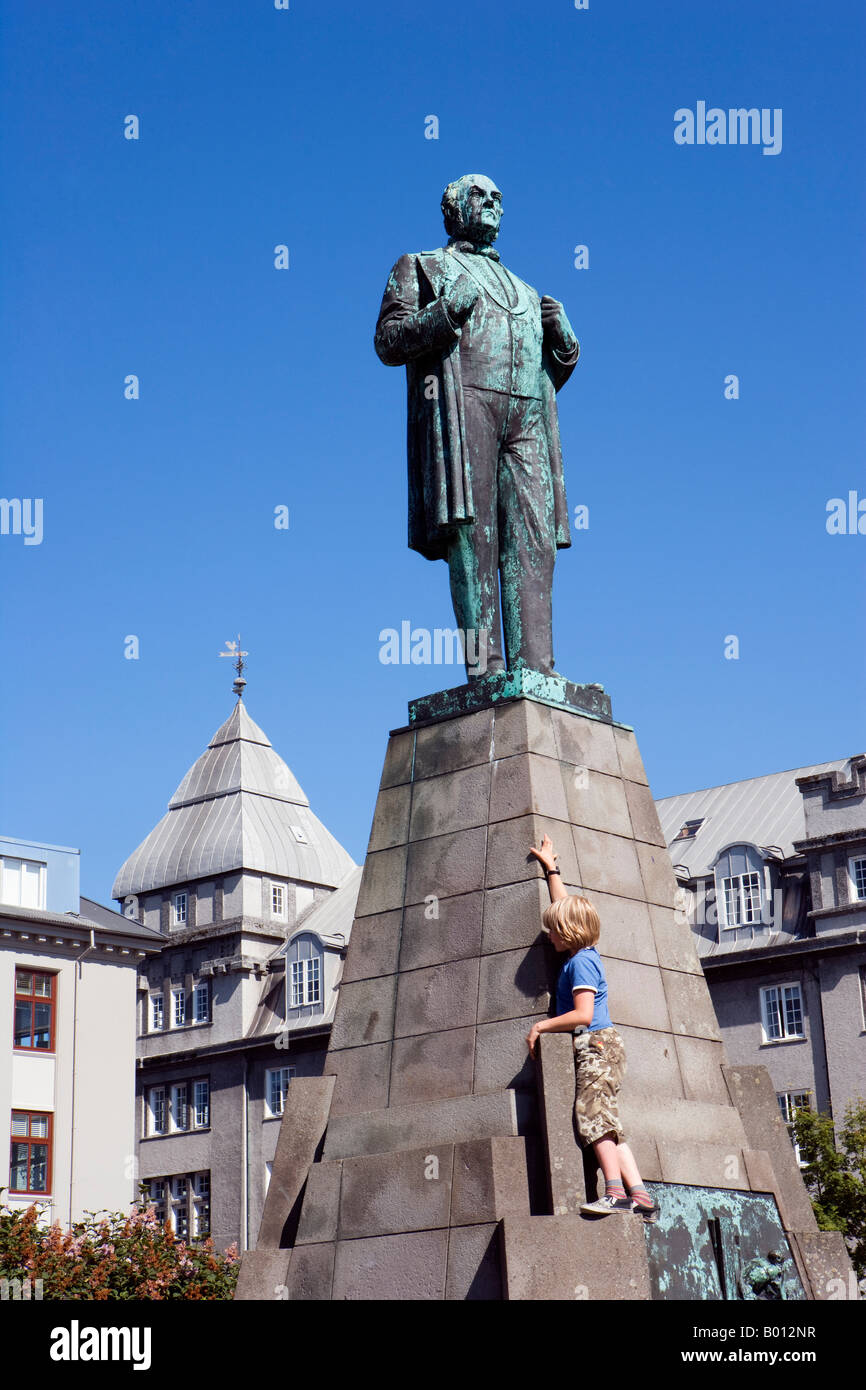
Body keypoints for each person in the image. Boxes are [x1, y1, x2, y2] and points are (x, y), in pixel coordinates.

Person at [373, 174, 580, 678]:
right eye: (480, 196)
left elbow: (546, 368)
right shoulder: (423, 266)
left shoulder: (528, 292)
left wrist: (566, 345)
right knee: (473, 536)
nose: (492, 205)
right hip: (465, 403)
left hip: (528, 412)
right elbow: (389, 341)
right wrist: (446, 310)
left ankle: (538, 670)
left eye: (498, 200)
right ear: (453, 209)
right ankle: (484, 671)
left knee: (533, 542)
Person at [526, 833, 659, 1222]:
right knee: (610, 1122)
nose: (548, 936)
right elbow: (564, 908)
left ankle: (614, 1193)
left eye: (553, 930)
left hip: (595, 1044)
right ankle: (640, 1195)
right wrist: (552, 869)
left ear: (567, 933)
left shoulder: (581, 963)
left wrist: (542, 1026)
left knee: (594, 1119)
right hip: (606, 1046)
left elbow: (583, 1014)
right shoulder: (581, 953)